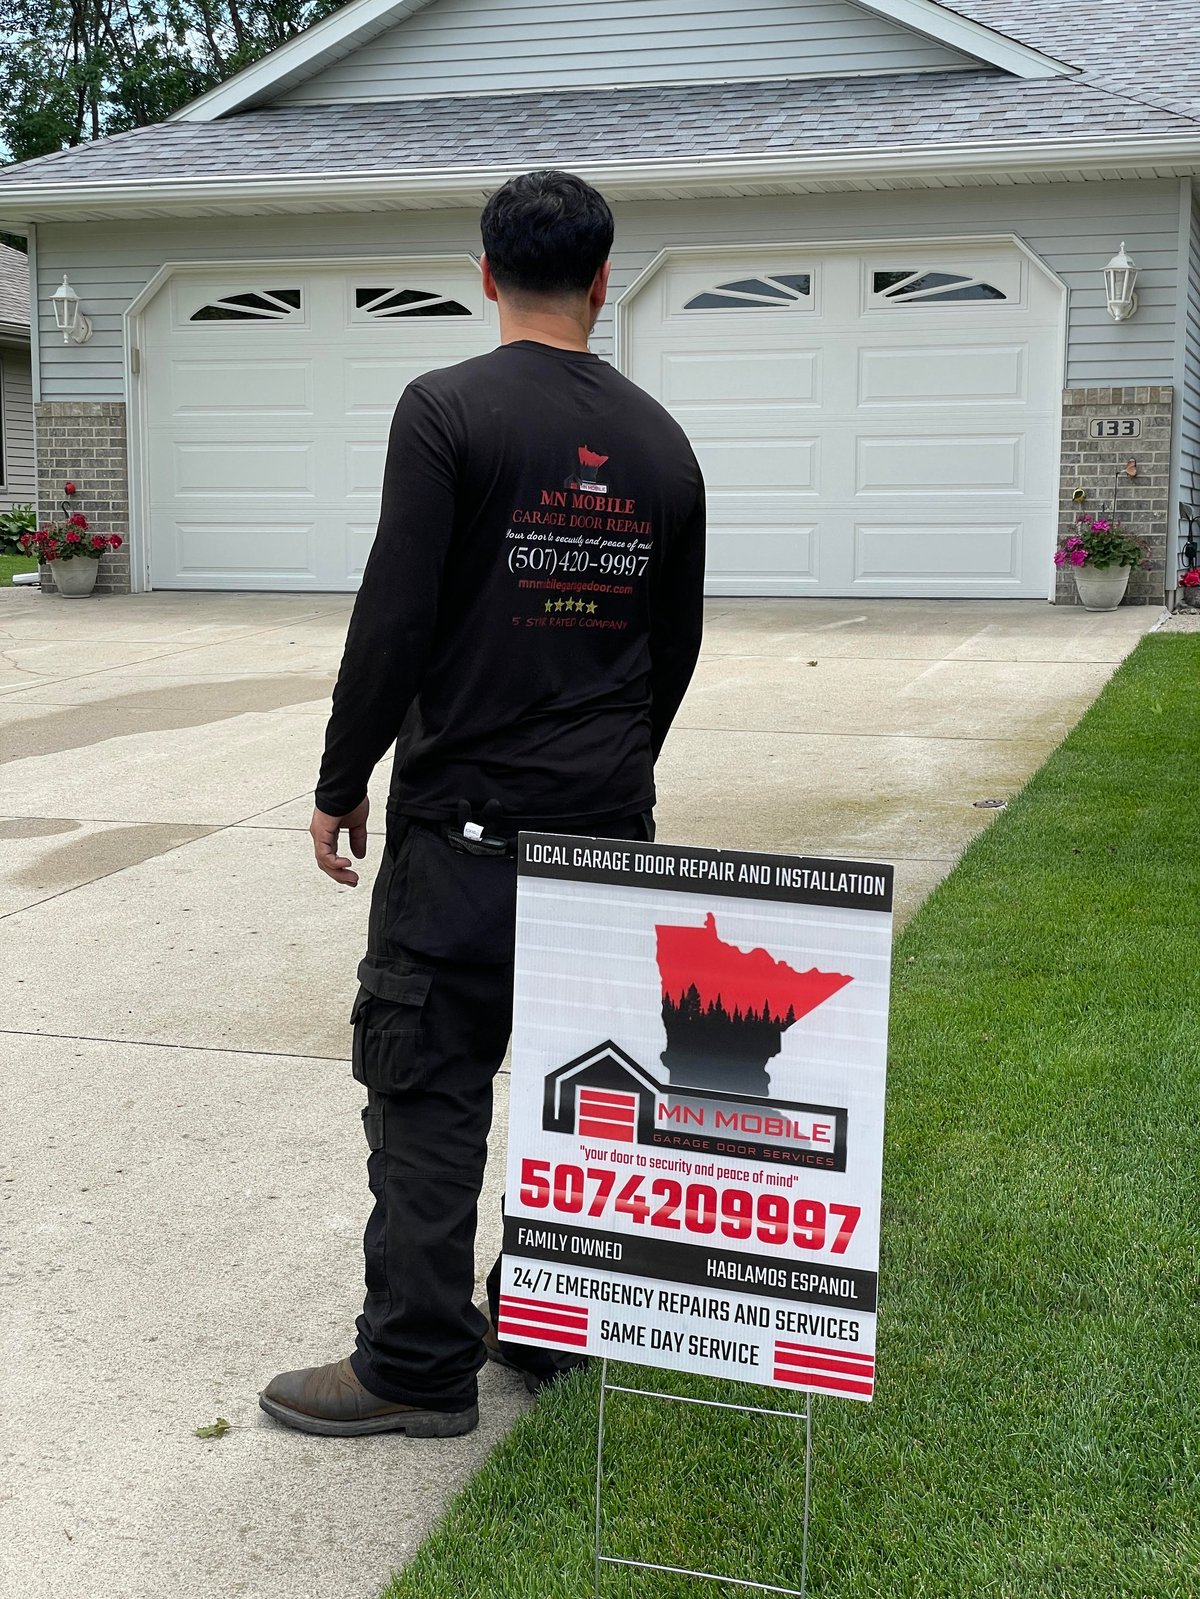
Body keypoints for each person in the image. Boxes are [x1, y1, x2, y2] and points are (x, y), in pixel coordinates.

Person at [259, 169, 706, 1439]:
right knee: (585, 1087)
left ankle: (413, 1364)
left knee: (428, 1080)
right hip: (604, 834)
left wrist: (341, 780)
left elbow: (394, 613)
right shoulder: (664, 445)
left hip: (463, 836)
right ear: (604, 280)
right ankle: (550, 1329)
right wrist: (609, 774)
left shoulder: (445, 409)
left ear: (487, 273)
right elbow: (671, 649)